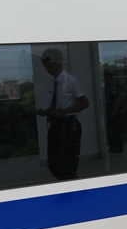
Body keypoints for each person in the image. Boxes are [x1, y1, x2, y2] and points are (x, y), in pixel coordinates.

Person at [35, 48, 89, 179]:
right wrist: (46, 111)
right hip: (56, 125)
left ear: (58, 63)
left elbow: (85, 103)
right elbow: (58, 104)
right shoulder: (51, 84)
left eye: (49, 65)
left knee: (67, 164)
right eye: (45, 66)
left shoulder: (71, 81)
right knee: (54, 163)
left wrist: (64, 112)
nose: (47, 69)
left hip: (68, 126)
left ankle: (74, 186)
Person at [104, 71, 123, 153]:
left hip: (112, 110)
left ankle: (118, 146)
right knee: (108, 129)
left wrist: (114, 111)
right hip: (108, 110)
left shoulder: (112, 87)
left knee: (115, 129)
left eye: (108, 78)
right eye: (105, 79)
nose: (106, 80)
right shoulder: (106, 88)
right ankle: (113, 145)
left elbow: (117, 99)